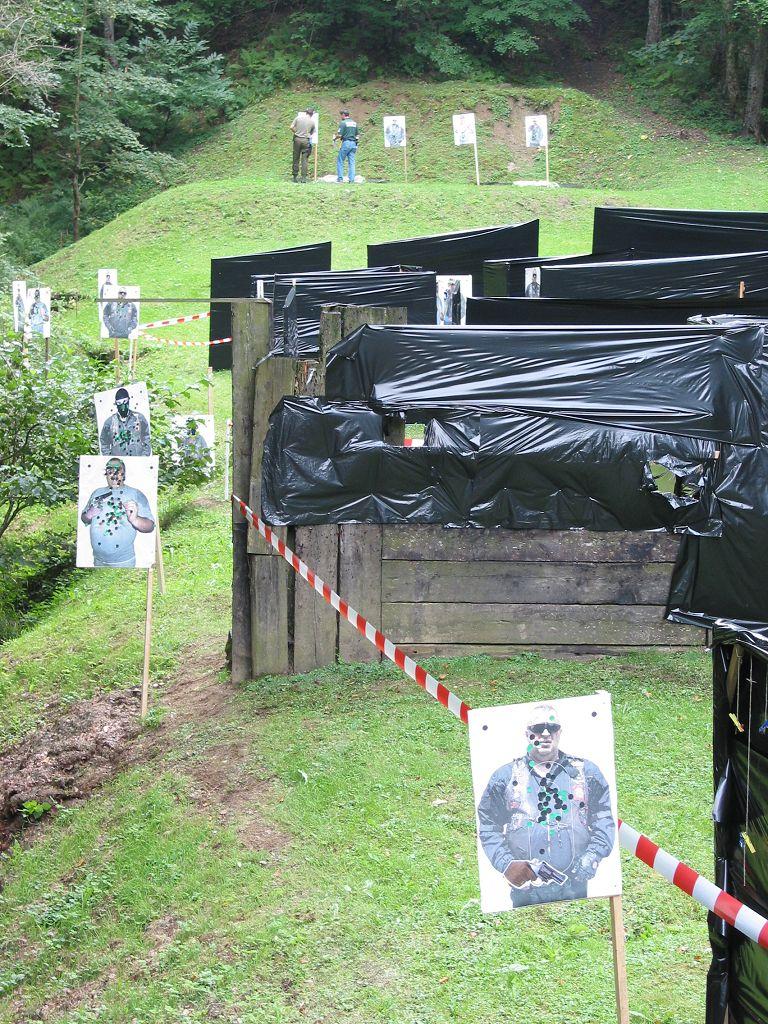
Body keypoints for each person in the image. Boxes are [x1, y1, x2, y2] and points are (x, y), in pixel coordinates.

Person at [476, 703, 615, 908]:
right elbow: (488, 825)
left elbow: (603, 817)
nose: (546, 734)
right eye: (538, 728)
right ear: (527, 734)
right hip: (526, 890)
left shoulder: (586, 773)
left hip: (575, 885)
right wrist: (507, 864)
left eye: (552, 728)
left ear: (560, 732)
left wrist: (594, 854)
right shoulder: (505, 777)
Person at [80, 457, 155, 568]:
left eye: (118, 471)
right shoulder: (97, 493)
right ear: (106, 474)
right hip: (98, 560)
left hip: (124, 562)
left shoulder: (135, 494)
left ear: (124, 474)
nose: (114, 475)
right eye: (110, 471)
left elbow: (150, 527)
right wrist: (89, 514)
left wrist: (135, 519)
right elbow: (84, 519)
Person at [99, 387, 151, 457]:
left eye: (125, 402)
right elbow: (104, 441)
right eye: (119, 403)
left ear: (128, 401)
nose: (122, 406)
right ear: (116, 404)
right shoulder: (109, 422)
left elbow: (146, 437)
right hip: (118, 461)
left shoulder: (139, 418)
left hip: (137, 459)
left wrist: (144, 456)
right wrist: (110, 458)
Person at [290, 107, 316, 183]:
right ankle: (303, 178)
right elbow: (312, 132)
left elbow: (291, 127)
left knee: (296, 158)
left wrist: (296, 132)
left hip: (297, 139)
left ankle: (295, 176)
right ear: (312, 114)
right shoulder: (312, 122)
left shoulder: (298, 118)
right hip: (305, 141)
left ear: (306, 112)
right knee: (304, 160)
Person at [334, 109, 359, 183]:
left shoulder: (343, 123)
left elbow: (340, 135)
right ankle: (351, 179)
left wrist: (335, 138)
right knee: (352, 162)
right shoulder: (354, 123)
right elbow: (357, 135)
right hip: (353, 143)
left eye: (341, 115)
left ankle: (340, 178)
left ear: (343, 115)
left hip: (346, 143)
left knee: (340, 160)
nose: (341, 117)